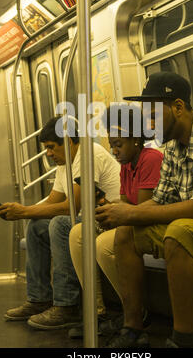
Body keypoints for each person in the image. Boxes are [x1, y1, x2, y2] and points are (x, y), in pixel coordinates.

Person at [94, 71, 193, 348]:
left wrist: (132, 212)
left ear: (178, 107)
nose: (148, 123)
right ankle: (133, 326)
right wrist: (120, 215)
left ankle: (183, 339)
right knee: (126, 234)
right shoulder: (173, 147)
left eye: (153, 115)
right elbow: (161, 198)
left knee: (179, 232)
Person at [1, 116, 120, 330]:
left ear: (68, 141)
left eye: (50, 148)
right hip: (88, 219)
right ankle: (39, 299)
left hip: (110, 219)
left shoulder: (88, 154)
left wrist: (24, 211)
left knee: (60, 224)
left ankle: (67, 306)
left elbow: (71, 207)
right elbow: (53, 201)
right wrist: (21, 211)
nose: (48, 153)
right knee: (37, 226)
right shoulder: (65, 163)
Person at [68, 103, 163, 338]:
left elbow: (141, 210)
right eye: (112, 146)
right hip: (132, 218)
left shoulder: (150, 159)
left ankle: (134, 311)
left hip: (148, 221)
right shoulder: (126, 164)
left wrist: (116, 212)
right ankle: (97, 311)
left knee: (102, 244)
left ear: (136, 140)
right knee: (78, 234)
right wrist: (106, 209)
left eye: (119, 145)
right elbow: (124, 203)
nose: (114, 151)